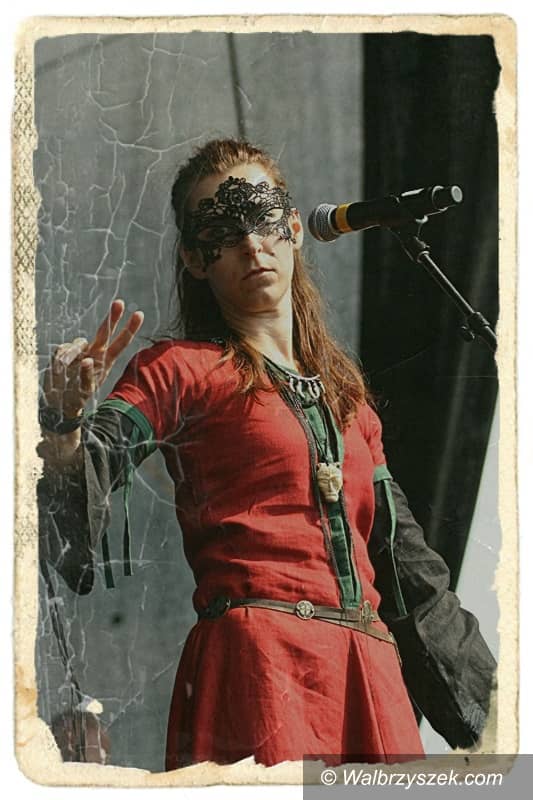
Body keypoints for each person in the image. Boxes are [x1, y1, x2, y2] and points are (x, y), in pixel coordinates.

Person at [38, 138, 496, 769]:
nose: (252, 245)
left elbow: (409, 576)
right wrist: (64, 421)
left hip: (369, 683)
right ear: (195, 259)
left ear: (295, 230)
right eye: (222, 233)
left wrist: (500, 713)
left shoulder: (351, 404)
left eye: (264, 218)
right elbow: (85, 476)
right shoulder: (177, 370)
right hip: (260, 672)